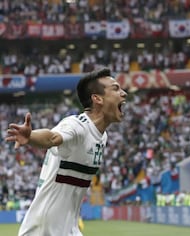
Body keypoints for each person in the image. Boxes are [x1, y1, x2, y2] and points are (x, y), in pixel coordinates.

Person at [6, 67, 127, 236]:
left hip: (68, 229)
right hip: (44, 231)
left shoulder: (102, 136)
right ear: (97, 98)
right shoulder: (76, 126)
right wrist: (31, 136)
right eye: (115, 88)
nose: (124, 93)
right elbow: (52, 138)